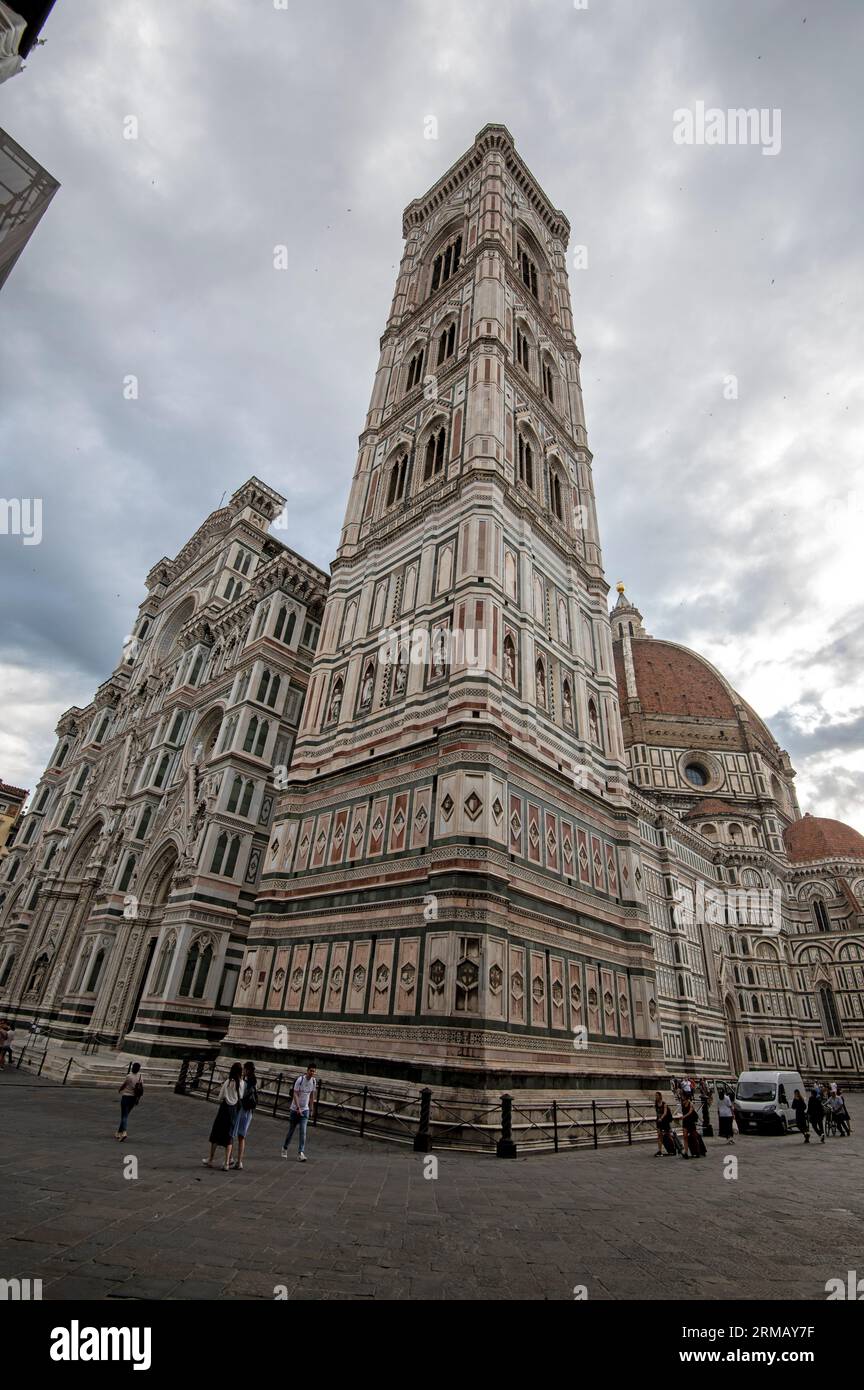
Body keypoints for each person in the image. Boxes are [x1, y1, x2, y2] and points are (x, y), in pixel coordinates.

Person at [203, 1062, 243, 1170]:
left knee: (216, 1133)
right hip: (234, 1111)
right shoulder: (242, 1083)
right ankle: (226, 1163)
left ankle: (210, 1159)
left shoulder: (228, 1082)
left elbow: (220, 1097)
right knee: (229, 1136)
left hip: (224, 1109)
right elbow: (241, 1096)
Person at [282, 1063, 317, 1162]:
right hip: (295, 1109)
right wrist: (298, 1107)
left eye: (314, 1071)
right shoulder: (300, 1080)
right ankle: (285, 1147)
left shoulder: (314, 1081)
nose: (312, 1073)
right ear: (307, 1070)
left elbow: (311, 1096)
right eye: (310, 1070)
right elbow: (295, 1094)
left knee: (303, 1132)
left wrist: (311, 1108)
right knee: (291, 1131)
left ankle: (300, 1153)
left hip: (305, 1110)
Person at [231, 1061, 258, 1170]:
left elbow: (240, 1095)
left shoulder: (244, 1082)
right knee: (242, 1137)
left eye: (244, 1069)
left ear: (247, 1070)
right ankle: (239, 1161)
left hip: (241, 1110)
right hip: (249, 1112)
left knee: (232, 1134)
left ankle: (230, 1158)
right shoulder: (255, 1082)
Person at [116, 1062, 143, 1141]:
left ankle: (124, 1132)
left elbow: (124, 1084)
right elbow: (140, 1090)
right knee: (126, 1115)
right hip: (134, 1098)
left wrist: (120, 1090)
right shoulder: (140, 1077)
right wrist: (138, 1099)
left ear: (132, 1068)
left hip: (126, 1097)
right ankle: (118, 1133)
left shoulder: (129, 1076)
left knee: (124, 1116)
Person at [654, 1091, 674, 1156]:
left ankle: (674, 1148)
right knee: (659, 1136)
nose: (656, 1097)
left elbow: (665, 1113)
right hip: (659, 1121)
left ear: (660, 1096)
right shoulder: (656, 1103)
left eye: (657, 1095)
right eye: (655, 1095)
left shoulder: (664, 1104)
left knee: (668, 1134)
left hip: (664, 1121)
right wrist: (657, 1119)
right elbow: (657, 1112)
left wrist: (661, 1118)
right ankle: (660, 1151)